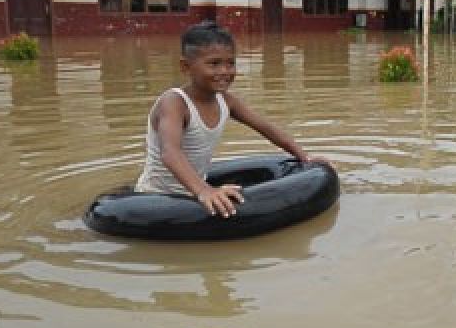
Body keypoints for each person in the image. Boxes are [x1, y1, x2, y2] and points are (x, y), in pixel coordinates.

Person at [135, 21, 329, 217]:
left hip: (193, 193)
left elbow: (266, 128)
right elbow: (170, 152)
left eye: (230, 63)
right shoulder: (175, 103)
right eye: (214, 64)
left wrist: (304, 157)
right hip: (158, 198)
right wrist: (204, 191)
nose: (225, 72)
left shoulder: (226, 101)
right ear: (186, 67)